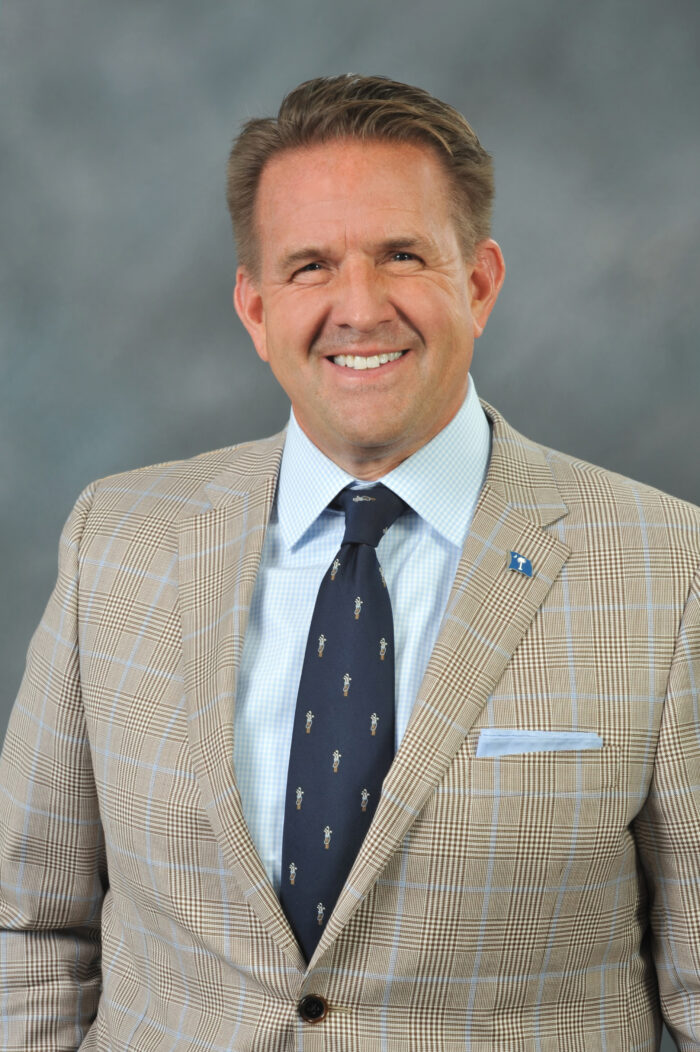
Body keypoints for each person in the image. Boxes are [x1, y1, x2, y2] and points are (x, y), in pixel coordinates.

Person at [1, 74, 699, 1051]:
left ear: (480, 282)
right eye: (310, 266)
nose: (358, 307)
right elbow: (28, 924)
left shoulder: (670, 569)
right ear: (255, 308)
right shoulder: (117, 539)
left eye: (401, 254)